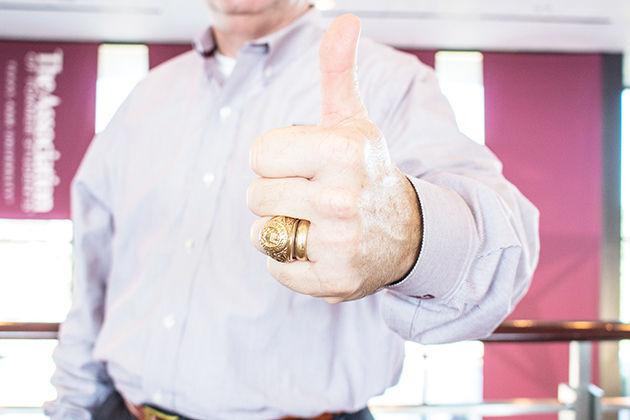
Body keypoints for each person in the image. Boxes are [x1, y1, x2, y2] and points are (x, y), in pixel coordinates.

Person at [45, 1, 540, 419]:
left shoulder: (392, 83)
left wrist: (407, 233)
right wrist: (71, 404)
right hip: (118, 409)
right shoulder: (145, 97)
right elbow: (92, 273)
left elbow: (506, 256)